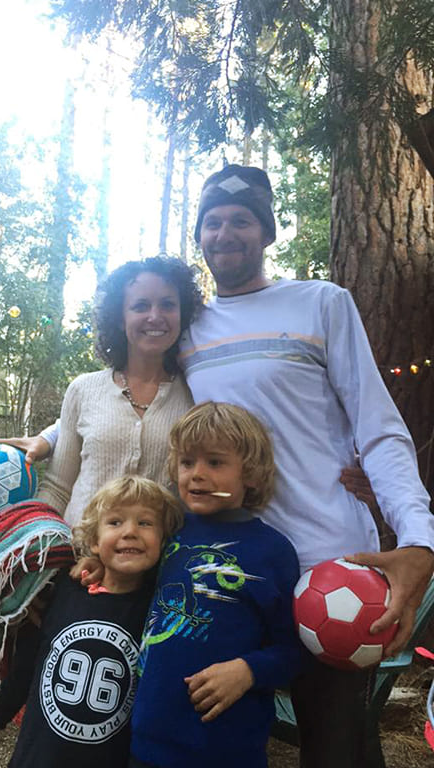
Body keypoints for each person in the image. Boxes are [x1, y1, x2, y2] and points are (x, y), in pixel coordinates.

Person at [175, 163, 434, 767]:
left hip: (331, 572)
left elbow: (379, 427)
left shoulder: (321, 303)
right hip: (234, 571)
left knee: (337, 744)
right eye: (211, 223)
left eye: (240, 220)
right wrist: (54, 433)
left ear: (266, 233)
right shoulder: (187, 330)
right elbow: (137, 395)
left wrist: (420, 539)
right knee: (222, 739)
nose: (224, 234)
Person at [80, 402, 303, 768]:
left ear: (250, 472)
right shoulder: (169, 530)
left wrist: (249, 670)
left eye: (215, 463)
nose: (196, 475)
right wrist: (97, 561)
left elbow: (294, 651)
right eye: (187, 463)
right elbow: (129, 558)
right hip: (146, 743)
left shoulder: (274, 553)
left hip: (226, 750)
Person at [0, 475, 183, 768]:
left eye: (145, 523)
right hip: (37, 758)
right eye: (115, 522)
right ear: (94, 541)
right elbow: (29, 663)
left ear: (163, 540)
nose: (130, 532)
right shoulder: (63, 589)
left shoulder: (159, 609)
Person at [0, 256, 202, 527]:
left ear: (183, 314)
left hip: (161, 564)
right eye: (140, 306)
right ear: (121, 319)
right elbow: (58, 488)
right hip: (76, 559)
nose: (155, 316)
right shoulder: (83, 389)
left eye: (168, 305)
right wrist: (24, 538)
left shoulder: (196, 396)